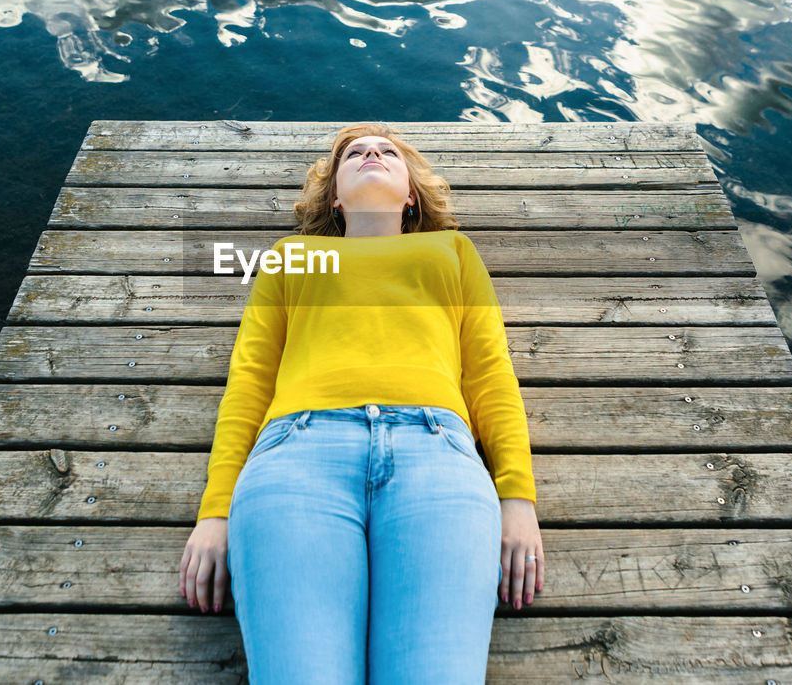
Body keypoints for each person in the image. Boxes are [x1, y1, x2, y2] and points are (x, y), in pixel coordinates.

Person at [177, 123, 543, 684]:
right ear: (336, 198)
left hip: (438, 457)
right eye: (354, 154)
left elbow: (491, 372)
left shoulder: (450, 251)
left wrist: (516, 496)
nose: (372, 153)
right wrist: (216, 510)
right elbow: (249, 380)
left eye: (387, 152)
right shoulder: (297, 256)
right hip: (296, 458)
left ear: (411, 196)